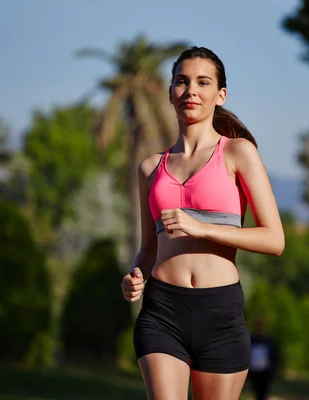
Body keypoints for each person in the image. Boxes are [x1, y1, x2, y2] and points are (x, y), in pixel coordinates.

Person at [120, 46, 285, 400]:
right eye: (182, 81)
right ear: (170, 93)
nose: (190, 90)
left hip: (220, 315)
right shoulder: (150, 168)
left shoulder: (239, 153)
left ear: (220, 94)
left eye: (202, 82)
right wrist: (135, 276)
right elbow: (149, 249)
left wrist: (201, 227)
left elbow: (275, 240)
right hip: (162, 310)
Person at [248, 316, 279, 400]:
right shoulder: (251, 340)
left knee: (263, 393)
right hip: (254, 373)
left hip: (265, 373)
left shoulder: (269, 340)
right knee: (257, 393)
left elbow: (274, 357)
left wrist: (273, 371)